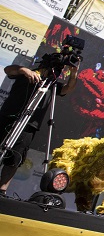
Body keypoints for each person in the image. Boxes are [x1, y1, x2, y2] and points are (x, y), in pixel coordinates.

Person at [0, 60, 78, 196]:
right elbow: (8, 69)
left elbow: (68, 88)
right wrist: (23, 70)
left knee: (14, 158)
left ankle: (2, 189)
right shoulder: (25, 73)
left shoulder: (52, 85)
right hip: (7, 117)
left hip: (29, 125)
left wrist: (74, 73)